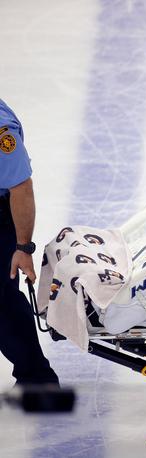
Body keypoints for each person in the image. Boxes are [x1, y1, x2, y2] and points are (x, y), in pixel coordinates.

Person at [0, 99, 59, 386]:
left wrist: (23, 248)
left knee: (2, 302)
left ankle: (37, 380)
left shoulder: (1, 129)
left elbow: (21, 187)